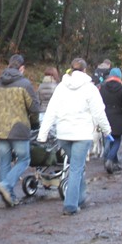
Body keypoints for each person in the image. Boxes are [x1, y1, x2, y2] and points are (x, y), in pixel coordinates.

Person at [38, 58, 111, 216]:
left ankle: (81, 197)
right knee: (76, 168)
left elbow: (51, 111)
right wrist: (107, 131)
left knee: (77, 167)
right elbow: (99, 112)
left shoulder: (61, 87)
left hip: (63, 135)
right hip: (82, 134)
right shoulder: (90, 89)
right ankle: (70, 205)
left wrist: (42, 134)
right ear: (85, 70)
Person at [0, 54, 40, 207]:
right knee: (24, 159)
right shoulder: (25, 84)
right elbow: (34, 107)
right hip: (19, 128)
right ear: (22, 68)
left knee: (5, 161)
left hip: (0, 129)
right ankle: (6, 186)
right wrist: (34, 124)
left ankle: (9, 197)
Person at [99, 67, 122, 173]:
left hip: (104, 114)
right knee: (116, 140)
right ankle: (109, 159)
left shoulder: (102, 87)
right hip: (117, 114)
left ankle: (112, 162)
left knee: (107, 139)